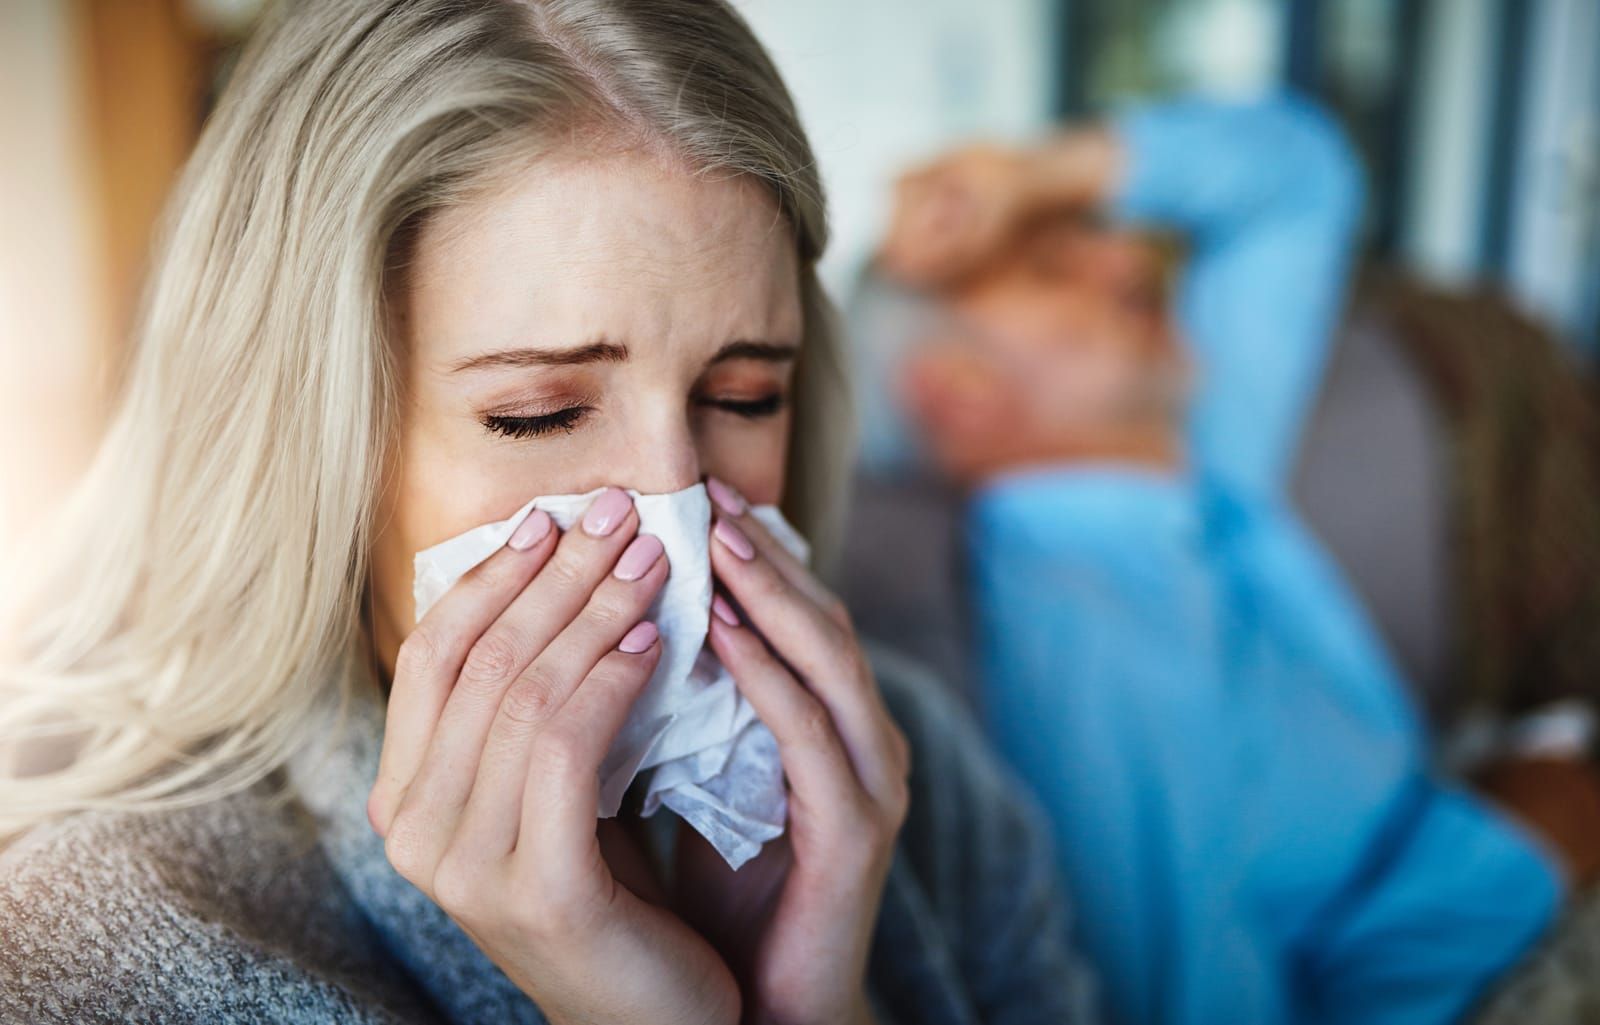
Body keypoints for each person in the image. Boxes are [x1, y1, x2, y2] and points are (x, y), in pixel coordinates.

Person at [0, 3, 1101, 1022]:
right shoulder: (98, 937)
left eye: (741, 395)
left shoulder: (909, 776)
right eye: (539, 412)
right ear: (309, 442)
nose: (671, 500)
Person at [878, 97, 1571, 1025]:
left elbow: (1299, 183)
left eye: (1099, 237)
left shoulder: (1196, 464)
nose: (1128, 259)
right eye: (1054, 268)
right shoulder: (1089, 650)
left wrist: (1044, 176)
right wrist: (1526, 832)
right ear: (957, 393)